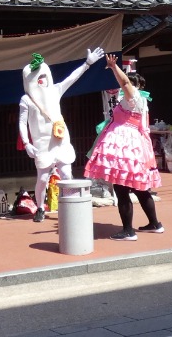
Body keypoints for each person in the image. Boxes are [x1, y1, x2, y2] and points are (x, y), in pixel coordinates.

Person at [19, 47, 106, 222]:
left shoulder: (55, 90)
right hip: (41, 144)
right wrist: (27, 143)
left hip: (60, 140)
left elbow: (72, 78)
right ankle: (40, 208)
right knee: (42, 179)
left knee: (67, 175)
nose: (42, 81)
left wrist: (87, 64)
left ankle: (70, 206)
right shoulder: (26, 99)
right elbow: (22, 122)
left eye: (44, 77)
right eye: (38, 79)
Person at [84, 54, 162, 241]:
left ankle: (128, 230)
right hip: (136, 147)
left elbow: (126, 83)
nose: (122, 87)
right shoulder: (141, 101)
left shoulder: (133, 97)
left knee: (121, 187)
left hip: (127, 148)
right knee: (140, 189)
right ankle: (154, 224)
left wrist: (113, 67)